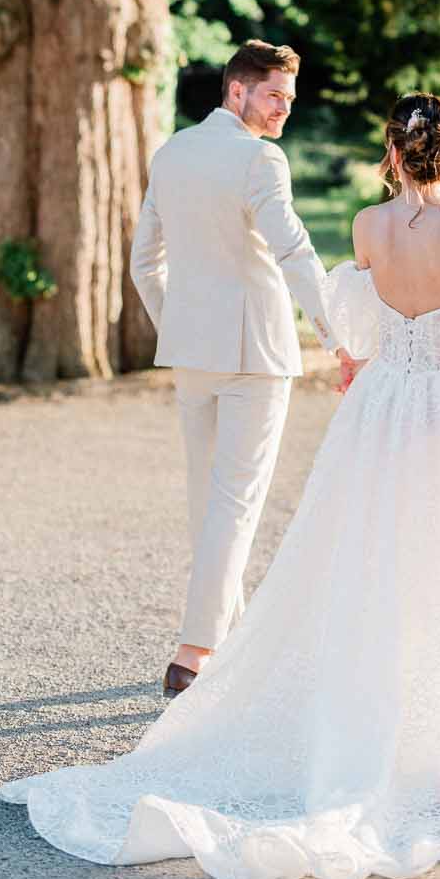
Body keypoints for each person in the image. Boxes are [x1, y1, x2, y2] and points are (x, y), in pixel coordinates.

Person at [0, 91, 440, 879]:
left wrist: (367, 375)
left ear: (392, 151)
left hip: (377, 412)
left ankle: (364, 709)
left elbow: (365, 341)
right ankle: (426, 723)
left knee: (360, 558)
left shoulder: (367, 229)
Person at [127, 38, 347, 698]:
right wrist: (339, 335)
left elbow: (145, 265)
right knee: (234, 502)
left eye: (289, 99)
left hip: (192, 353)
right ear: (236, 90)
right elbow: (294, 250)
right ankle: (192, 652)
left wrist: (182, 327)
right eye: (274, 95)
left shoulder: (171, 153)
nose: (284, 109)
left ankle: (230, 637)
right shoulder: (259, 158)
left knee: (210, 500)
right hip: (255, 355)